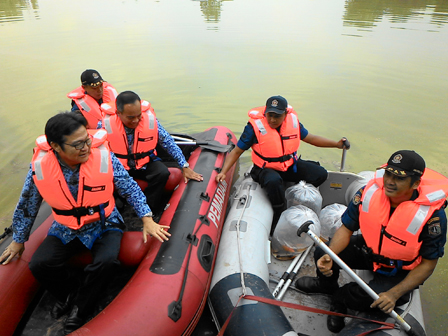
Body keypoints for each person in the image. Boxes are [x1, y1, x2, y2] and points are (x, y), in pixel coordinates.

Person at [0, 112, 170, 335]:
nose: (86, 147)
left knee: (106, 262)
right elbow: (28, 204)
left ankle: (81, 307)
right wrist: (19, 240)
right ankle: (70, 293)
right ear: (55, 146)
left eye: (87, 140)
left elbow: (129, 188)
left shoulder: (104, 157)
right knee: (39, 264)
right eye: (78, 144)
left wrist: (146, 218)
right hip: (65, 227)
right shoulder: (39, 167)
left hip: (105, 222)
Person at [295, 150, 448, 333]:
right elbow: (347, 228)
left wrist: (394, 294)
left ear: (415, 183)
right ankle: (326, 286)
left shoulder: (433, 217)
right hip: (370, 250)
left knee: (368, 297)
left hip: (400, 268)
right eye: (388, 173)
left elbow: (428, 263)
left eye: (399, 178)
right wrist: (331, 255)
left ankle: (340, 299)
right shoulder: (368, 193)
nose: (389, 181)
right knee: (323, 251)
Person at [215, 95, 348, 234]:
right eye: (269, 115)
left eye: (277, 116)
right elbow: (237, 151)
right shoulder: (253, 128)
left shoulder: (293, 122)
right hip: (265, 168)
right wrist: (223, 171)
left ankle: (296, 199)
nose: (272, 120)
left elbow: (311, 138)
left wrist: (337, 145)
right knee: (273, 181)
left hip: (289, 165)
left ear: (285, 114)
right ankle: (279, 210)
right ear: (265, 112)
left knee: (320, 174)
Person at [101, 90, 203, 216]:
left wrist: (184, 165)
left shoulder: (150, 120)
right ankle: (118, 204)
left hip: (144, 162)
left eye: (138, 115)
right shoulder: (104, 125)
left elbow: (167, 141)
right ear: (118, 113)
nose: (136, 120)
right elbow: (99, 153)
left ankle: (149, 208)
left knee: (162, 173)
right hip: (118, 165)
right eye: (130, 117)